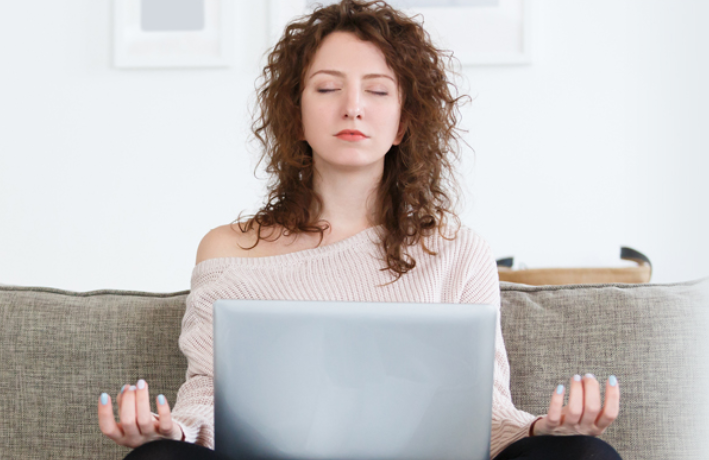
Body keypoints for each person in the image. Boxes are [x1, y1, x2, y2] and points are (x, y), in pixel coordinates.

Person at [97, 1, 622, 459]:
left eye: (377, 91)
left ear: (403, 121)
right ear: (296, 114)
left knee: (583, 453)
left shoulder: (459, 250)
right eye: (327, 88)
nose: (352, 107)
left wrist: (542, 430)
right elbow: (209, 395)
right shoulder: (229, 248)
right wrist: (174, 434)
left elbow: (483, 412)